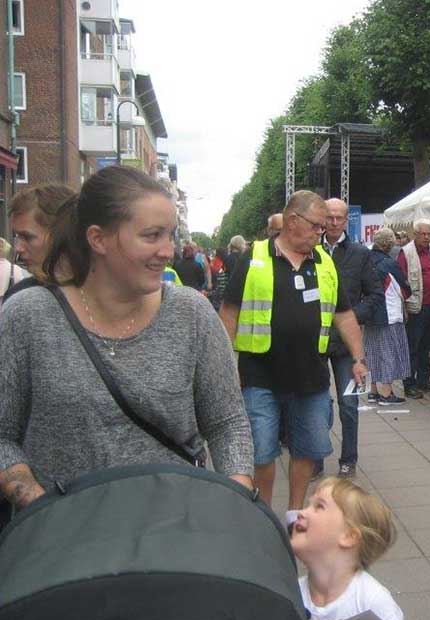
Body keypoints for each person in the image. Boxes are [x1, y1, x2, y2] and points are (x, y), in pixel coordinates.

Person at [0, 165, 254, 515]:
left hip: (172, 536)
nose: (168, 251)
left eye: (170, 235)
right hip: (63, 549)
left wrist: (236, 504)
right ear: (98, 239)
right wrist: (37, 503)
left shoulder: (190, 314)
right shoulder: (27, 316)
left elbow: (227, 422)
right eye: (152, 236)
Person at [220, 190, 369, 510]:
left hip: (310, 377)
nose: (322, 231)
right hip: (259, 376)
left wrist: (358, 357)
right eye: (317, 225)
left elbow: (343, 314)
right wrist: (222, 366)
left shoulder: (324, 262)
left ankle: (295, 512)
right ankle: (265, 517)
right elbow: (229, 313)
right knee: (261, 453)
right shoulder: (254, 257)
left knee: (308, 450)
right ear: (292, 222)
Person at [291, 477, 412, 620]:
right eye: (308, 504)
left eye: (318, 506)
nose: (302, 512)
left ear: (348, 536)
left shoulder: (371, 599)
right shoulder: (294, 594)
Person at [323, 197, 384, 479]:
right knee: (317, 403)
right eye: (330, 217)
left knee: (349, 403)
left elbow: (375, 296)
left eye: (340, 217)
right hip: (314, 340)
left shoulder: (360, 254)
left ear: (347, 220)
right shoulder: (310, 250)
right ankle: (313, 456)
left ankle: (348, 459)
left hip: (347, 343)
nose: (334, 223)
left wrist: (348, 317)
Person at [4, 184, 76, 301]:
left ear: (61, 234)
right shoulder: (20, 299)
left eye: (27, 237)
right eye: (17, 236)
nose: (18, 248)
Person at [398, 218, 430, 399]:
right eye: (422, 234)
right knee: (413, 346)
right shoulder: (406, 252)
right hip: (417, 306)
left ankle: (424, 380)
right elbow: (401, 280)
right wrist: (406, 305)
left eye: (429, 234)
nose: (426, 237)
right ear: (415, 234)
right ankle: (409, 383)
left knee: (427, 346)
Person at [364, 228, 411, 406]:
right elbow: (404, 289)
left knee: (372, 353)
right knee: (389, 352)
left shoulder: (366, 260)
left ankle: (373, 391)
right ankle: (386, 393)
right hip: (388, 314)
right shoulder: (389, 263)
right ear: (390, 244)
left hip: (369, 315)